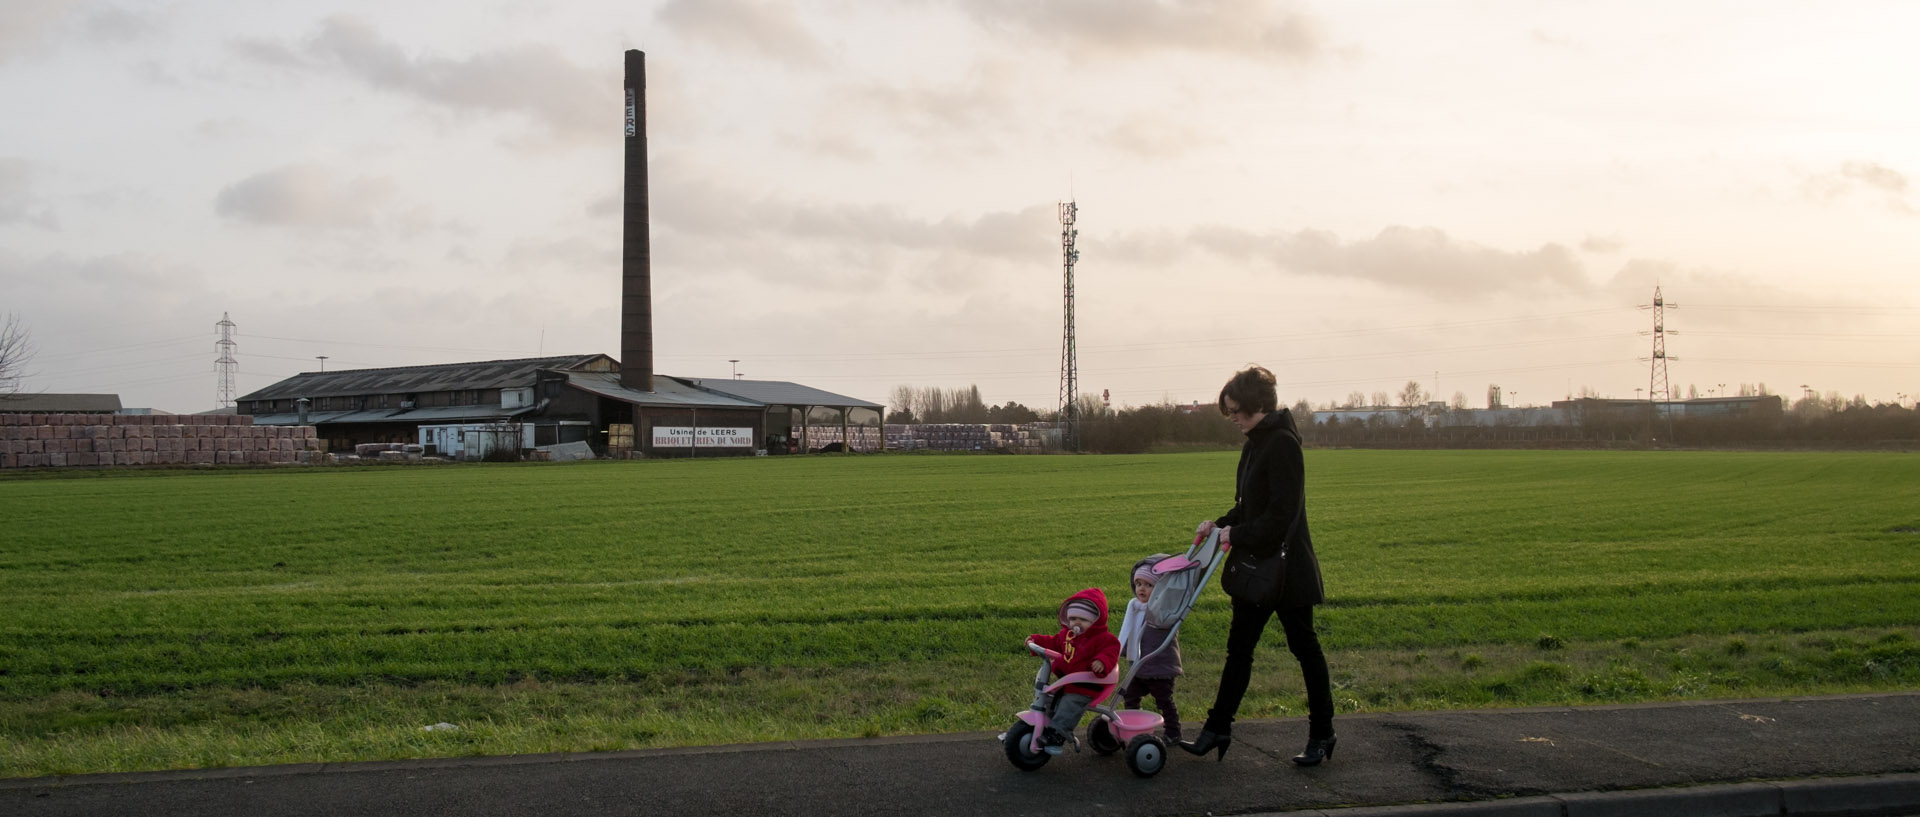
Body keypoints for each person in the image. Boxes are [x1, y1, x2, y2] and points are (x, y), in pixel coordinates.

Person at [1180, 365, 1336, 766]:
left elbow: (1282, 515)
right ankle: (1217, 729)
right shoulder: (1254, 442)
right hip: (1256, 567)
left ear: (1259, 405)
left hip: (1287, 570)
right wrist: (1219, 525)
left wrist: (1237, 535)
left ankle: (1322, 733)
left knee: (1305, 648)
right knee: (1239, 651)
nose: (1231, 417)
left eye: (1236, 410)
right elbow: (1250, 508)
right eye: (1228, 410)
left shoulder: (1283, 444)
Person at [1025, 588, 1121, 755]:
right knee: (1050, 700)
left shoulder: (1104, 639)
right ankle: (1045, 725)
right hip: (1068, 681)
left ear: (1096, 621)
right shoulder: (1067, 635)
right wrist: (1036, 641)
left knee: (1070, 704)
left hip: (1088, 684)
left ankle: (1058, 733)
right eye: (1073, 618)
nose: (1077, 623)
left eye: (1083, 619)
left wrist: (1101, 661)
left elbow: (1111, 651)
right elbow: (1053, 642)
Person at [1116, 555, 1183, 740]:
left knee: (1164, 701)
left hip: (1160, 668)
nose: (1141, 589)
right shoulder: (1135, 608)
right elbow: (1129, 633)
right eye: (1138, 584)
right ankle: (1133, 728)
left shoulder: (1164, 613)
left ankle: (1173, 732)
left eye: (1148, 585)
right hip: (1138, 667)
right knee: (1130, 696)